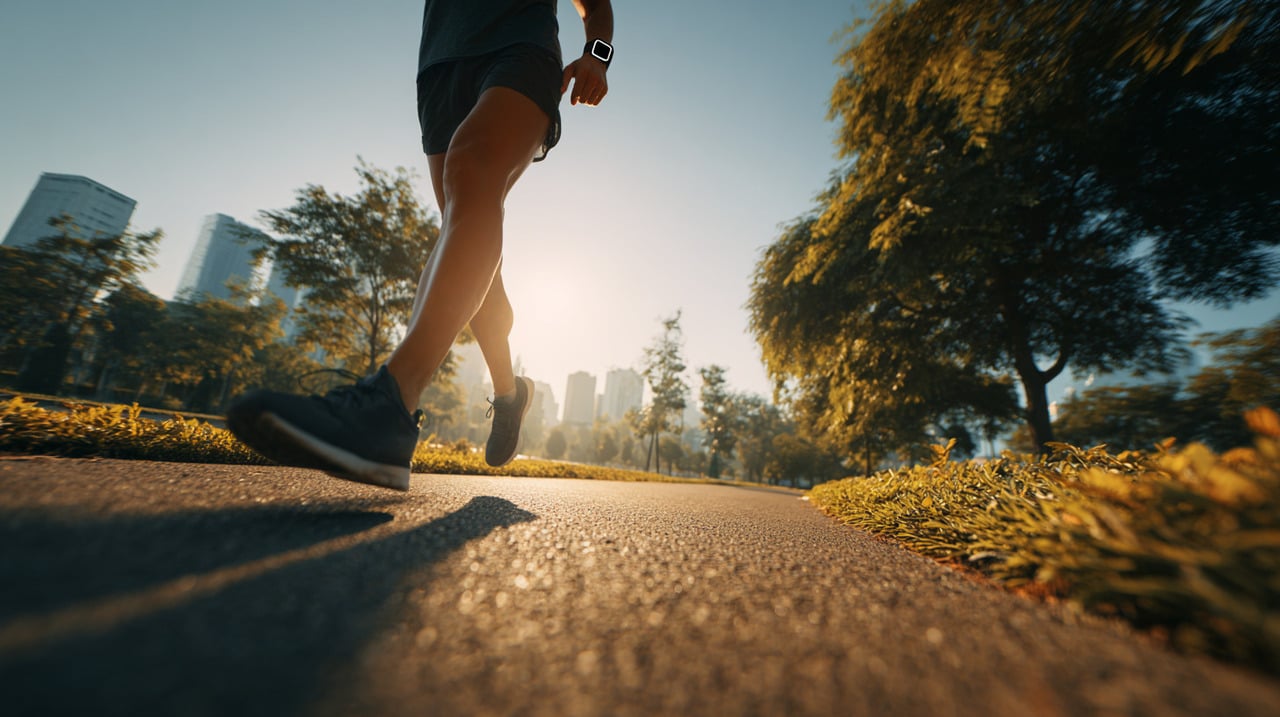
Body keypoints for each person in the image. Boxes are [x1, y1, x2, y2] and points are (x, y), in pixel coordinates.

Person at [226, 0, 615, 490]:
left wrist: (597, 54)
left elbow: (595, 4)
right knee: (465, 230)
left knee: (471, 172)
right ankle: (510, 392)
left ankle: (391, 404)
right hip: (440, 63)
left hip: (522, 47)